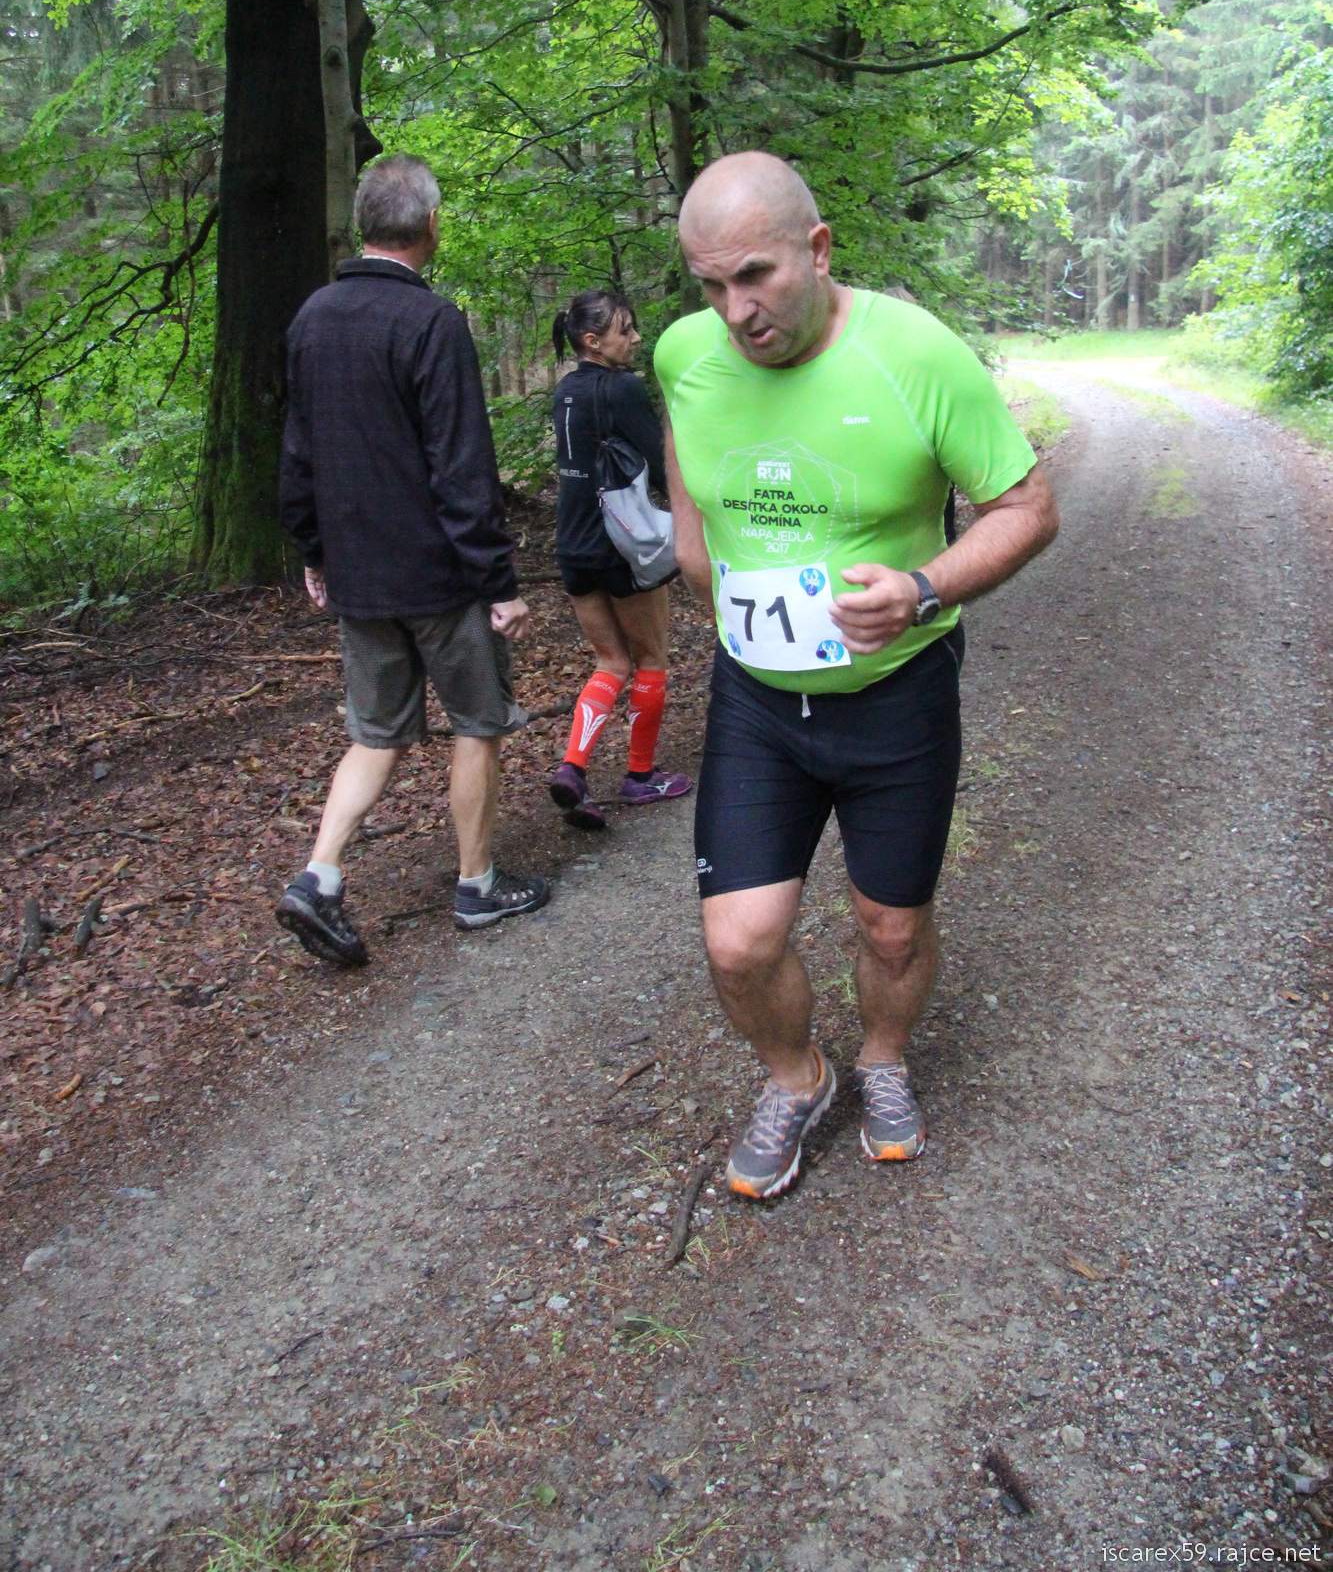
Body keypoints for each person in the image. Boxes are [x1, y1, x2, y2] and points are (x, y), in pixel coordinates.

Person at [655, 152, 1058, 1199]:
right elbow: (684, 444)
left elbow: (1026, 508)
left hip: (897, 693)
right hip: (756, 699)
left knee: (891, 926)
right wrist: (694, 550)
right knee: (739, 945)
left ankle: (882, 1057)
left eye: (755, 275)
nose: (735, 311)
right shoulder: (685, 353)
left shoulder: (915, 353)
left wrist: (923, 587)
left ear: (819, 249)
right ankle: (797, 1077)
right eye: (711, 286)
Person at [275, 154, 551, 966]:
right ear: (430, 225)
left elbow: (297, 453)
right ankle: (477, 885)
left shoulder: (312, 318)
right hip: (440, 579)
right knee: (478, 723)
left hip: (359, 576)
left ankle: (320, 875)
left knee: (376, 735)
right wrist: (497, 582)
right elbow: (461, 466)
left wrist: (314, 550)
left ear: (363, 224)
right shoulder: (432, 322)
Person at [547, 289, 693, 830]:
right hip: (623, 546)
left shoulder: (565, 391)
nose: (635, 338)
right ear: (593, 341)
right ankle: (639, 775)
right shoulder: (623, 388)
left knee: (610, 661)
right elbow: (661, 463)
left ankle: (573, 767)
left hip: (572, 545)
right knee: (651, 657)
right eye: (625, 330)